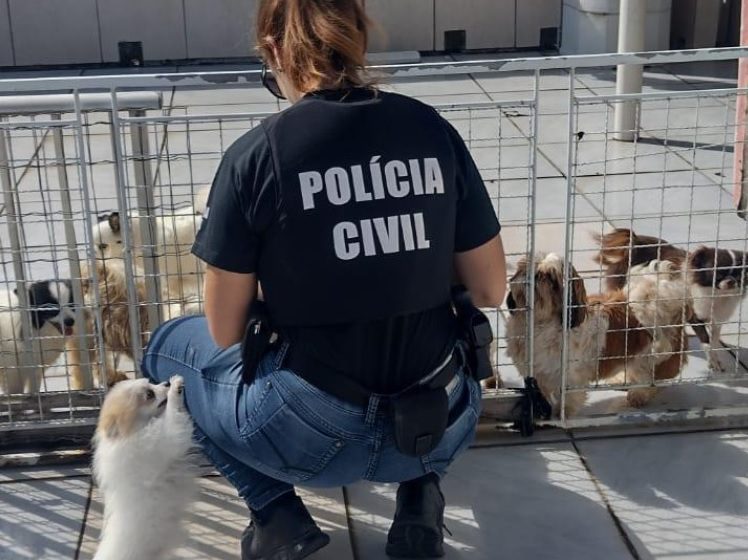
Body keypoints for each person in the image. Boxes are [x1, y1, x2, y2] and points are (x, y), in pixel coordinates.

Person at [142, 0, 507, 558]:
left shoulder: (256, 155)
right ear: (359, 40)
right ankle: (420, 498)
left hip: (309, 435)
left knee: (166, 350)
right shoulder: (430, 130)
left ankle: (275, 514)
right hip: (436, 424)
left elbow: (222, 330)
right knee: (433, 350)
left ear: (274, 50)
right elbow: (489, 290)